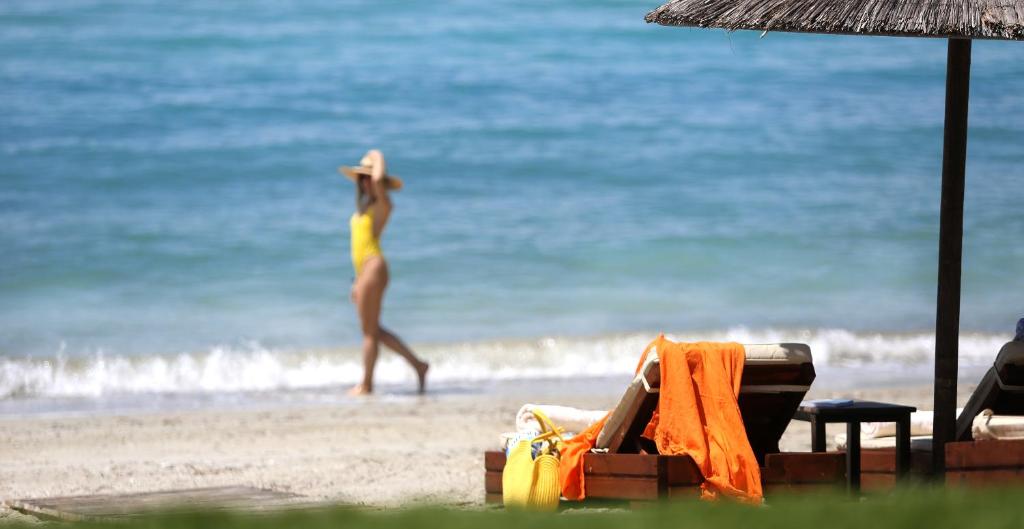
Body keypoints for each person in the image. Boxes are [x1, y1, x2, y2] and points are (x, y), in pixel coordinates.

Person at [339, 150, 429, 395]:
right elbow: (358, 247)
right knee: (373, 330)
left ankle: (366, 384)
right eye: (362, 178)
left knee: (369, 332)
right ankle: (418, 365)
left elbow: (379, 180)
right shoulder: (364, 209)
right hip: (364, 271)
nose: (366, 182)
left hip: (374, 266)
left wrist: (376, 155)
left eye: (369, 177)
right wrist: (356, 281)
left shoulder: (383, 205)